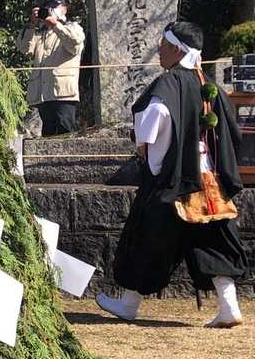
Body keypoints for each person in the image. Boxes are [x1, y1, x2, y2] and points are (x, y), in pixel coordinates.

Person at [97, 20, 247, 329]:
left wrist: (146, 152)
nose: (159, 50)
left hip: (173, 180)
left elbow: (154, 121)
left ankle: (128, 304)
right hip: (208, 182)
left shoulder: (169, 83)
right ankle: (229, 306)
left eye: (164, 46)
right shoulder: (208, 85)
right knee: (215, 240)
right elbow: (230, 131)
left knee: (146, 237)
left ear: (178, 50)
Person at [19, 0, 86, 136]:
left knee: (66, 131)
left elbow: (74, 43)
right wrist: (32, 25)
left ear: (64, 9)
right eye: (47, 7)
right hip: (43, 93)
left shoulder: (73, 27)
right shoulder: (39, 33)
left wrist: (55, 25)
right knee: (48, 134)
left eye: (54, 6)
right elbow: (23, 48)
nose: (50, 10)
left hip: (64, 93)